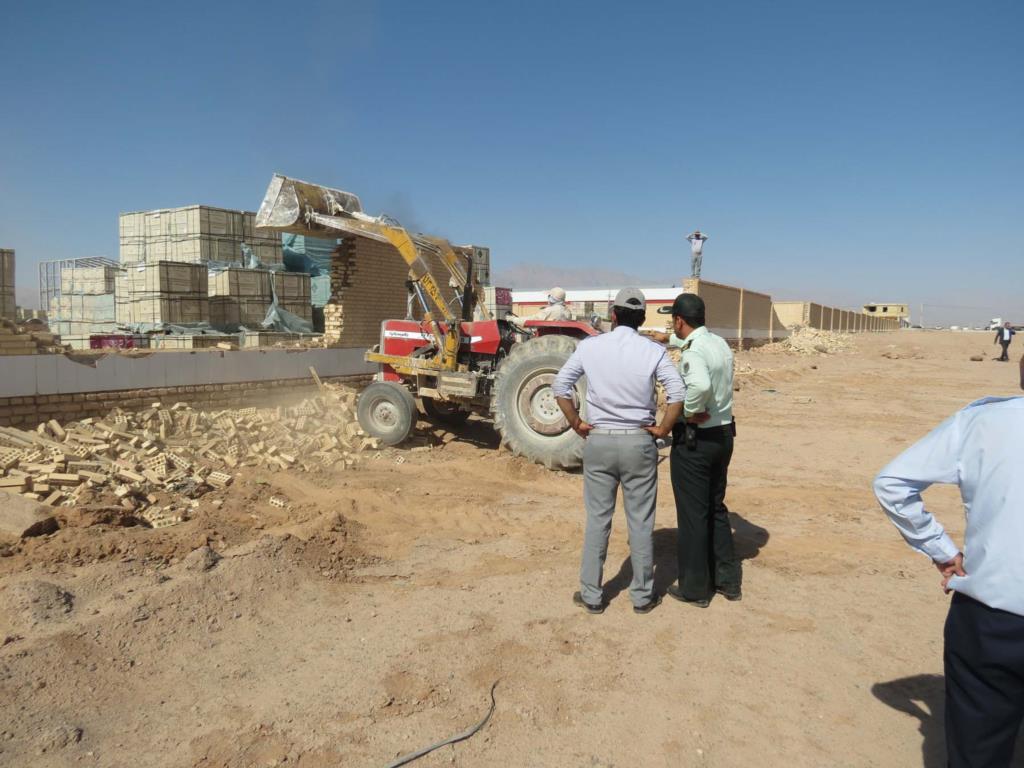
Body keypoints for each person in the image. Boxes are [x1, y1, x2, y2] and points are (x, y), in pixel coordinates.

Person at [873, 353, 1024, 768]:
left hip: (992, 619)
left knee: (977, 749)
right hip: (992, 616)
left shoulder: (983, 422)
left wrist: (942, 550)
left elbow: (891, 483)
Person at [553, 288, 685, 615]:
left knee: (598, 520)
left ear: (613, 315)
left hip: (599, 440)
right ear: (642, 318)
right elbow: (678, 392)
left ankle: (591, 595)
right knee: (640, 522)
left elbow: (560, 386)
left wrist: (575, 422)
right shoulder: (653, 350)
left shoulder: (590, 346)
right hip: (639, 442)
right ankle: (642, 597)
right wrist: (663, 429)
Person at [652, 293, 741, 606]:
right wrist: (666, 340)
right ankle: (728, 581)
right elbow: (694, 348)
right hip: (723, 435)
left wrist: (689, 411)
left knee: (693, 515)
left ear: (679, 320)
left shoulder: (693, 352)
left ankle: (695, 588)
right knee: (716, 508)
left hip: (696, 439)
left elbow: (700, 385)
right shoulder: (718, 343)